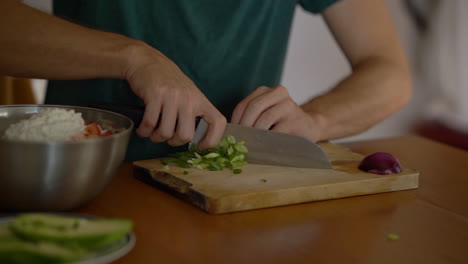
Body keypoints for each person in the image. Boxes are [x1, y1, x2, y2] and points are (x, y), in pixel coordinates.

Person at [0, 0, 412, 161]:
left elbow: (389, 71)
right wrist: (133, 58)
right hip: (85, 180)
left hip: (230, 189)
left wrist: (316, 121)